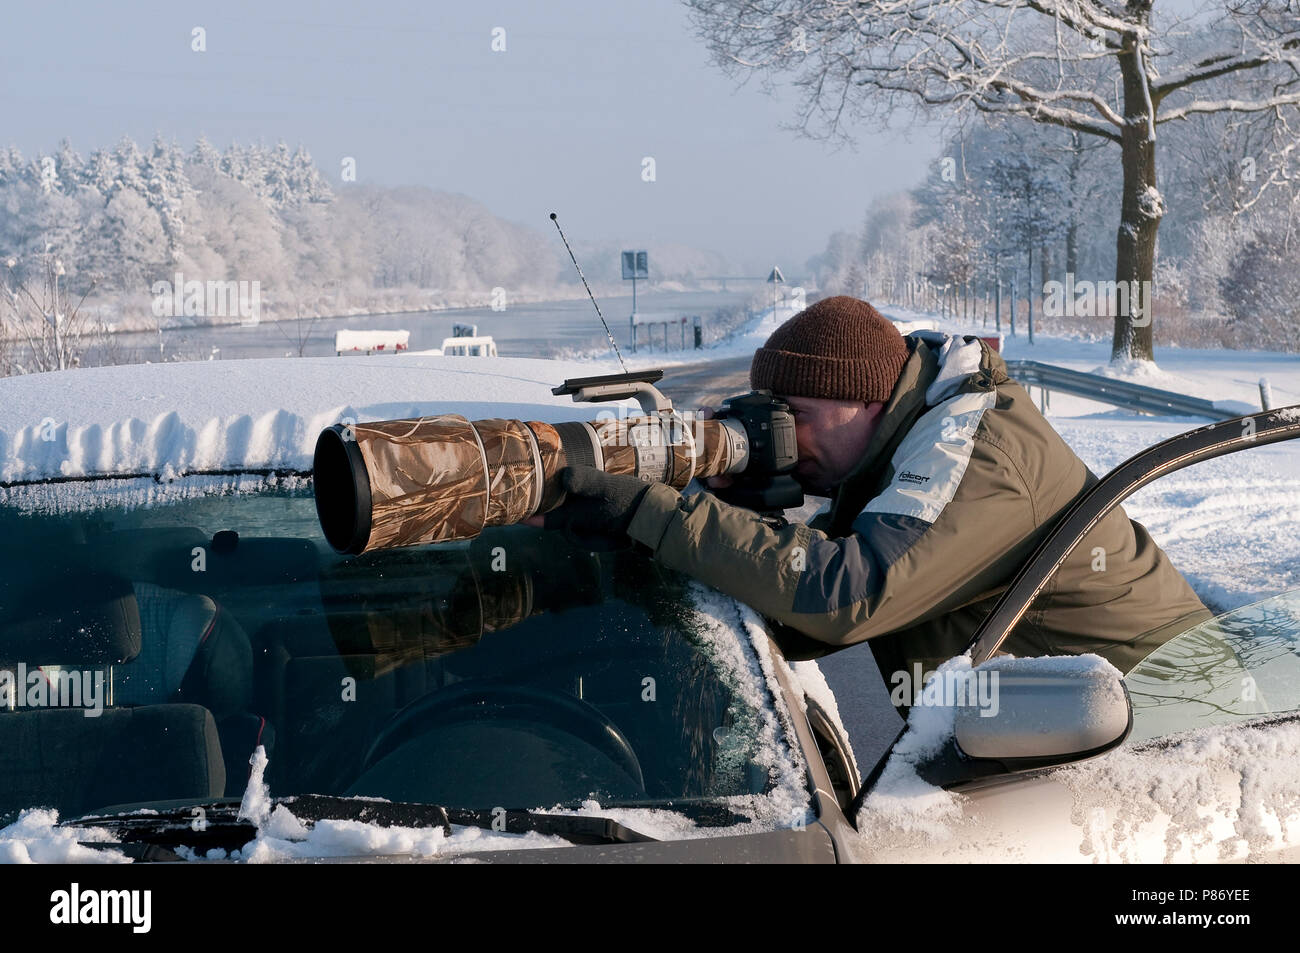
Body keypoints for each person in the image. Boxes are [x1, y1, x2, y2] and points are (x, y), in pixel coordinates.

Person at [539, 295, 1211, 681]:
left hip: (1177, 722)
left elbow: (849, 594)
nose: (783, 440)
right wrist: (725, 516)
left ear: (863, 402)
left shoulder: (974, 447)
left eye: (794, 417)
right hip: (1088, 737)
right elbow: (798, 622)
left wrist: (663, 518)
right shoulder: (902, 442)